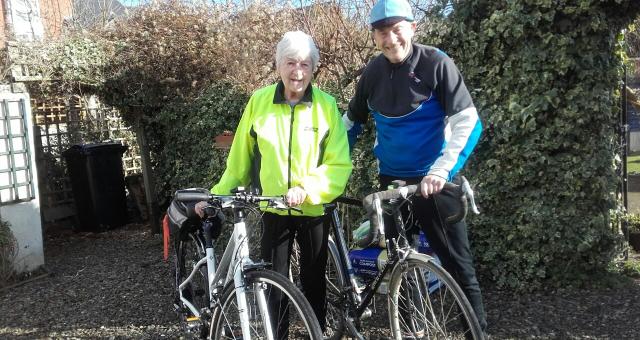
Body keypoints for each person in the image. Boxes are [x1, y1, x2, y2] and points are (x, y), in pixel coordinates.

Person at [342, 0, 488, 335]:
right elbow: (349, 126)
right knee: (400, 267)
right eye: (382, 32)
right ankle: (411, 331)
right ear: (374, 37)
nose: (390, 39)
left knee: (458, 266)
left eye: (397, 29)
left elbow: (469, 121)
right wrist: (325, 169)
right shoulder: (372, 73)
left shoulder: (436, 62)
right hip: (392, 183)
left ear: (412, 28)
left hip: (436, 181)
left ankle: (475, 333)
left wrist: (440, 171)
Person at [198, 31, 352, 338]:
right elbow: (239, 160)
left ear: (314, 68)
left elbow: (338, 163)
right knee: (273, 283)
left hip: (312, 209)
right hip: (273, 207)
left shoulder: (327, 106)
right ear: (278, 66)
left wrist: (308, 188)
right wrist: (217, 196)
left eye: (305, 64)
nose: (298, 72)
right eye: (291, 63)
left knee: (314, 286)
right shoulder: (259, 102)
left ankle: (315, 333)